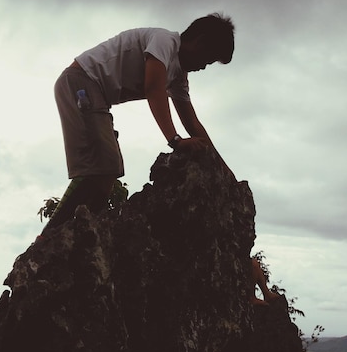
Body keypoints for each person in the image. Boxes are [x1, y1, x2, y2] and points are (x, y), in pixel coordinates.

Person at [44, 13, 236, 232]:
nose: (203, 67)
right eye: (207, 59)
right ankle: (50, 236)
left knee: (108, 172)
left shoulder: (178, 75)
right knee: (101, 166)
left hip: (96, 94)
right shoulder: (165, 42)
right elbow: (153, 88)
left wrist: (226, 173)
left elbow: (192, 122)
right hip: (81, 81)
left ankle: (77, 234)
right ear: (199, 41)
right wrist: (174, 140)